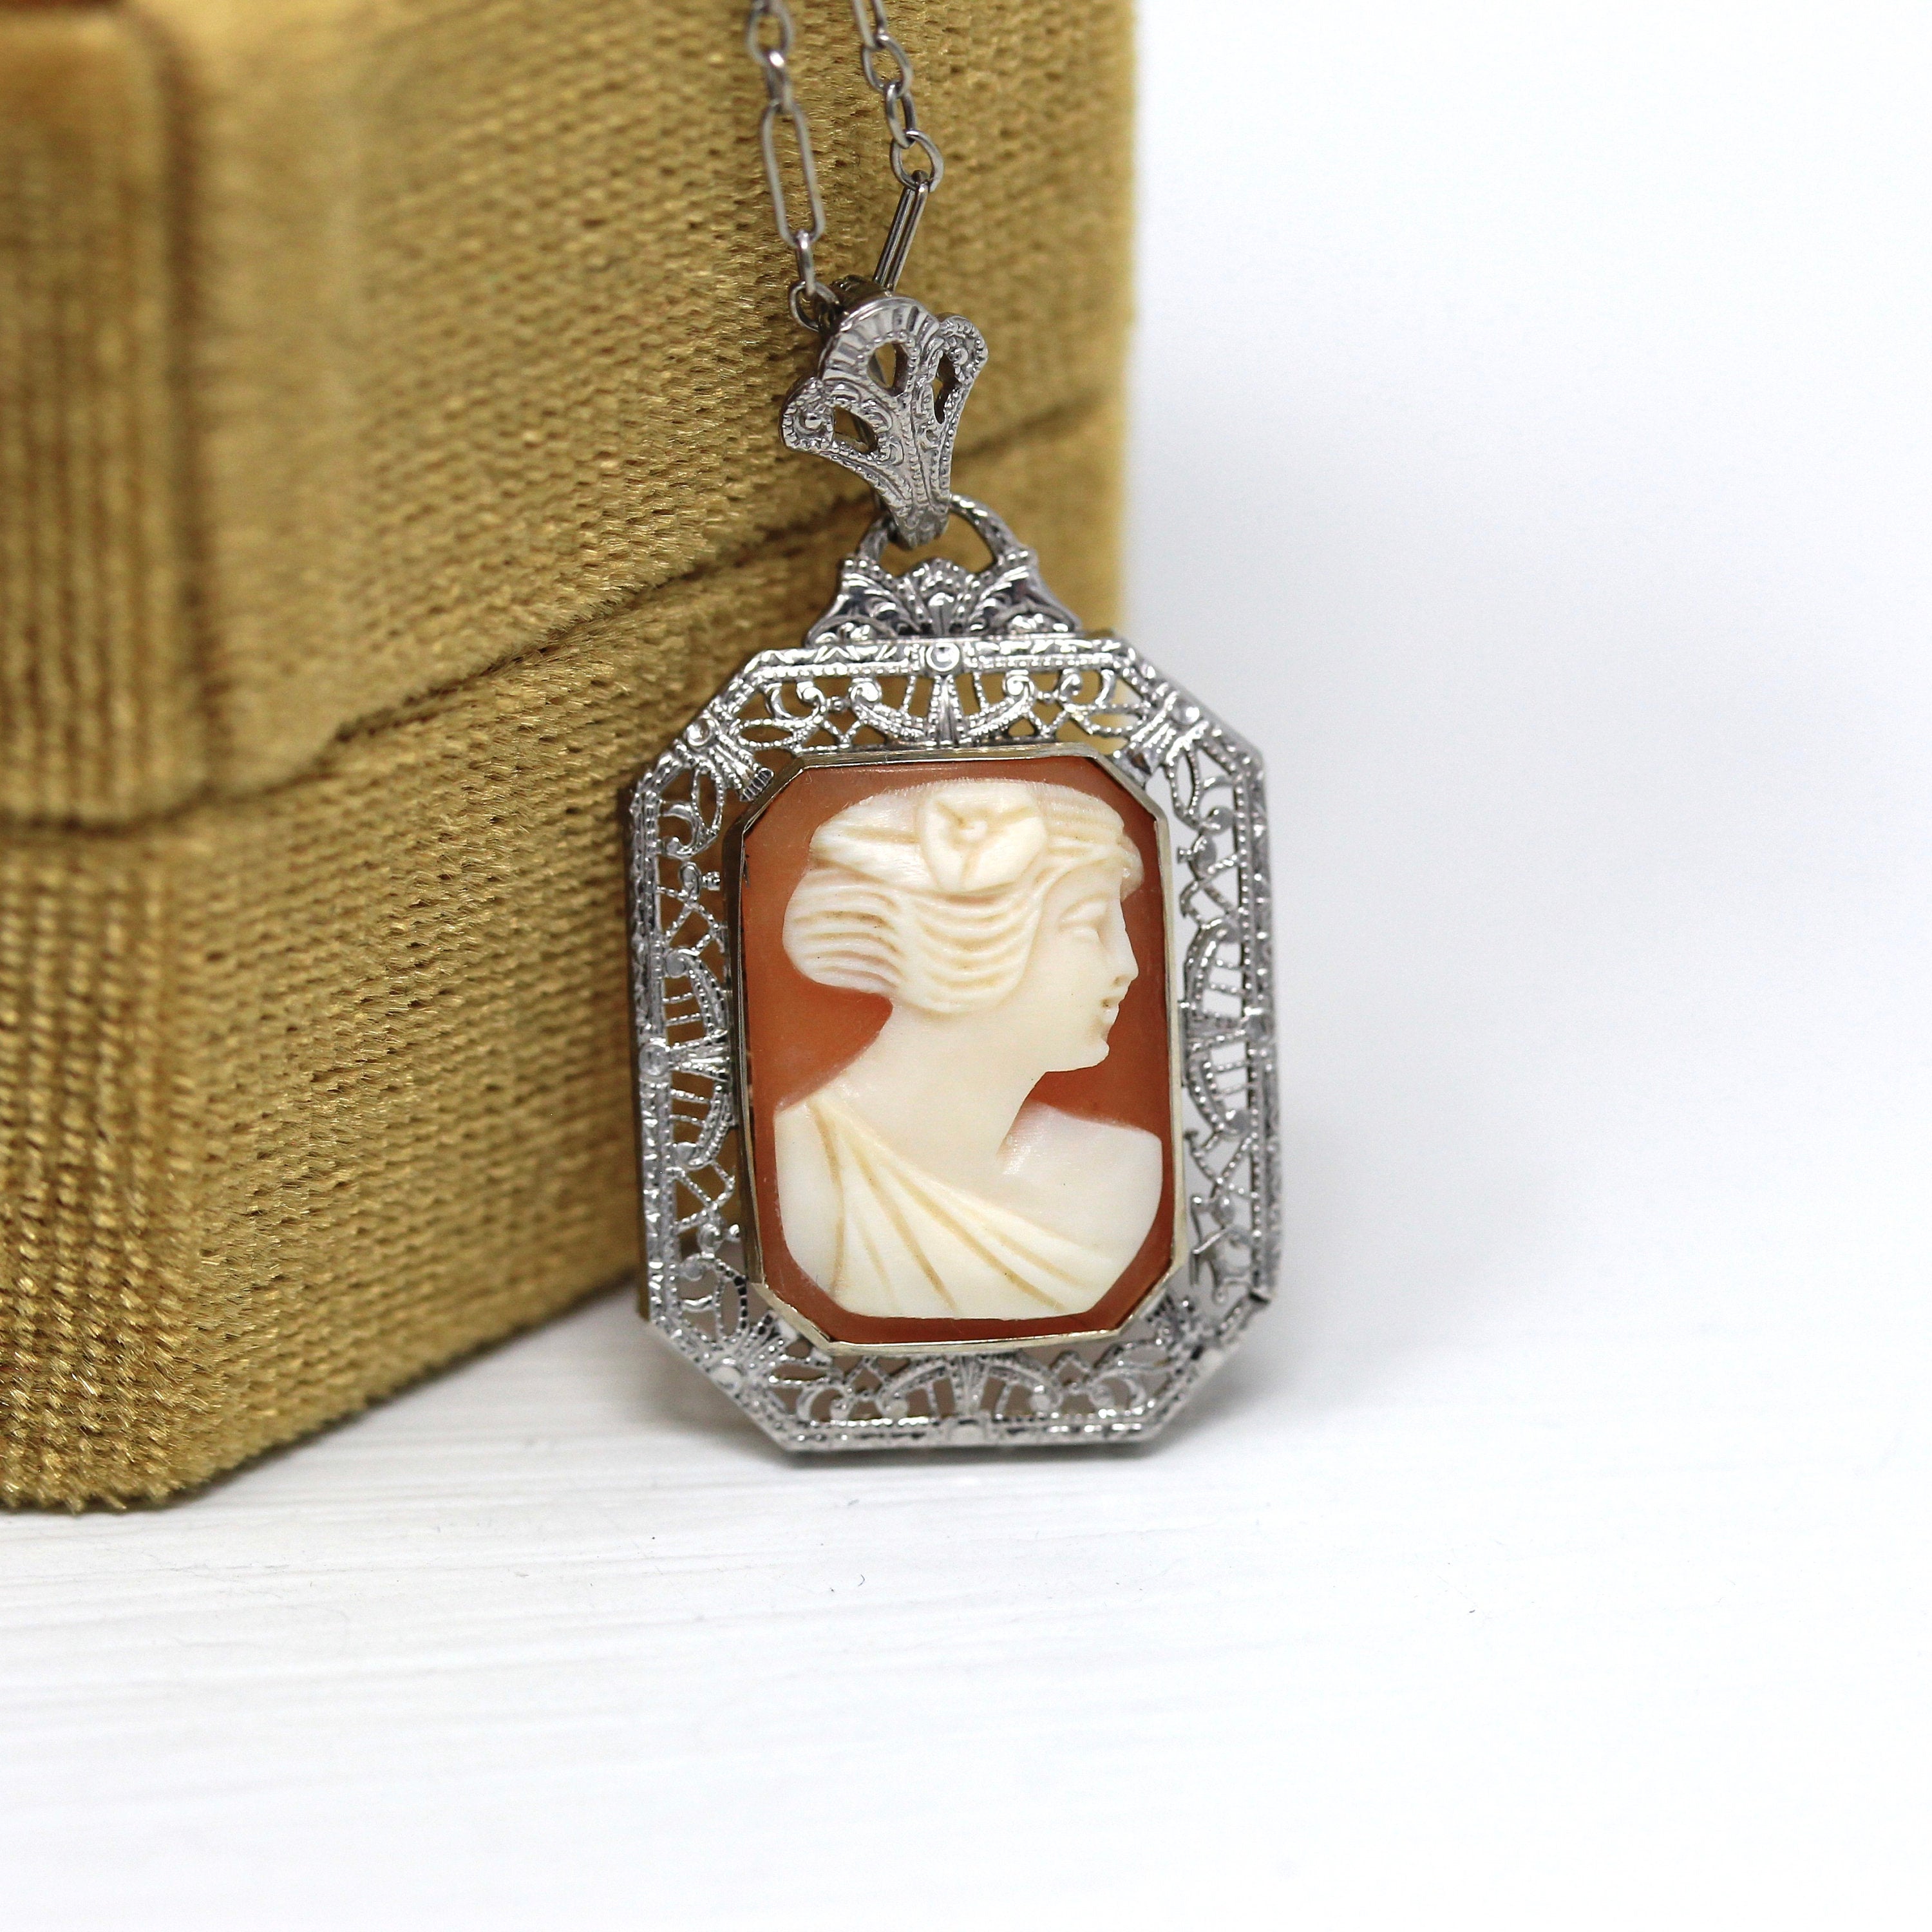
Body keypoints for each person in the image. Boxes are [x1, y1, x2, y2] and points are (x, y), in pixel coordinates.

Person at [774, 776, 1162, 1321]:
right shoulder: (807, 1165)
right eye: (1088, 925)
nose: (1127, 966)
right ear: (963, 947)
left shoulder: (1121, 1173)